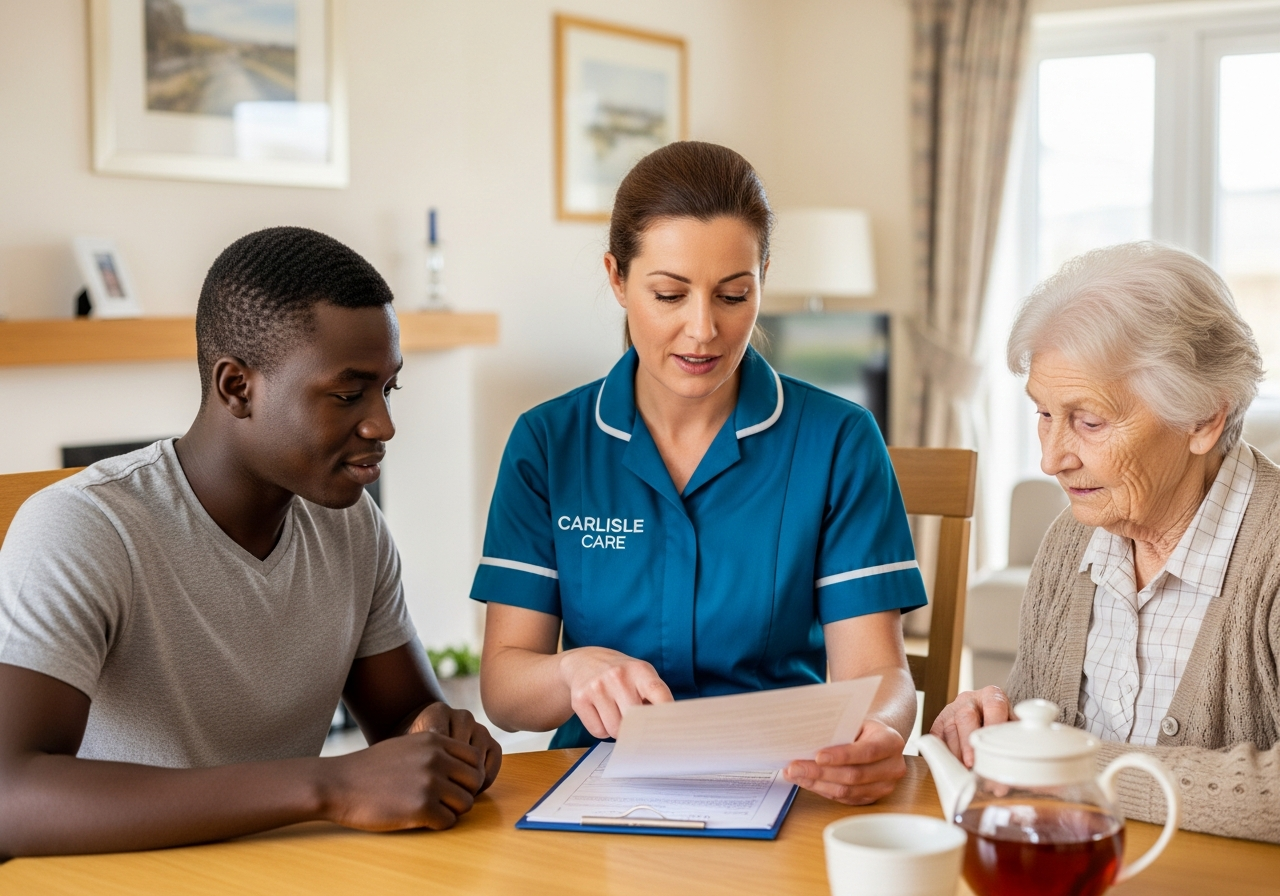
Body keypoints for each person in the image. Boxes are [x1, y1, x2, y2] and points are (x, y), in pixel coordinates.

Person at [0, 227, 501, 858]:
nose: (382, 424)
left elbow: (405, 720)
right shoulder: (86, 529)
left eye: (387, 388)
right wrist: (328, 785)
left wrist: (440, 739)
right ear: (237, 387)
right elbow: (8, 797)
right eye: (348, 394)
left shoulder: (351, 525)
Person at [472, 142, 927, 806]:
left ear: (762, 278)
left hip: (786, 782)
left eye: (734, 294)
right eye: (669, 294)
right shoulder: (547, 444)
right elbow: (505, 692)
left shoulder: (838, 441)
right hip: (598, 790)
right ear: (617, 278)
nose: (703, 330)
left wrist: (878, 730)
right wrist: (574, 670)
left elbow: (877, 673)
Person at [930, 242, 1280, 843]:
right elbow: (1038, 709)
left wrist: (1071, 768)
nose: (1050, 459)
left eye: (1089, 421)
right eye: (1044, 414)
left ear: (1202, 419)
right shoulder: (1073, 541)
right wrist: (987, 720)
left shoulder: (1269, 553)